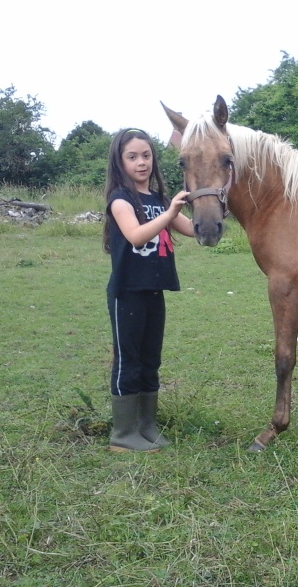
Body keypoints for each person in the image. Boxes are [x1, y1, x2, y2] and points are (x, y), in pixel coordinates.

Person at [102, 128, 193, 452]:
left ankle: (147, 425)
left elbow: (194, 230)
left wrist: (212, 200)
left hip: (154, 290)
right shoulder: (120, 200)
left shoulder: (159, 199)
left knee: (151, 360)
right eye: (132, 157)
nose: (141, 162)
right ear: (120, 161)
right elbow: (136, 235)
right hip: (127, 291)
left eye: (146, 155)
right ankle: (123, 435)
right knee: (129, 361)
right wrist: (170, 214)